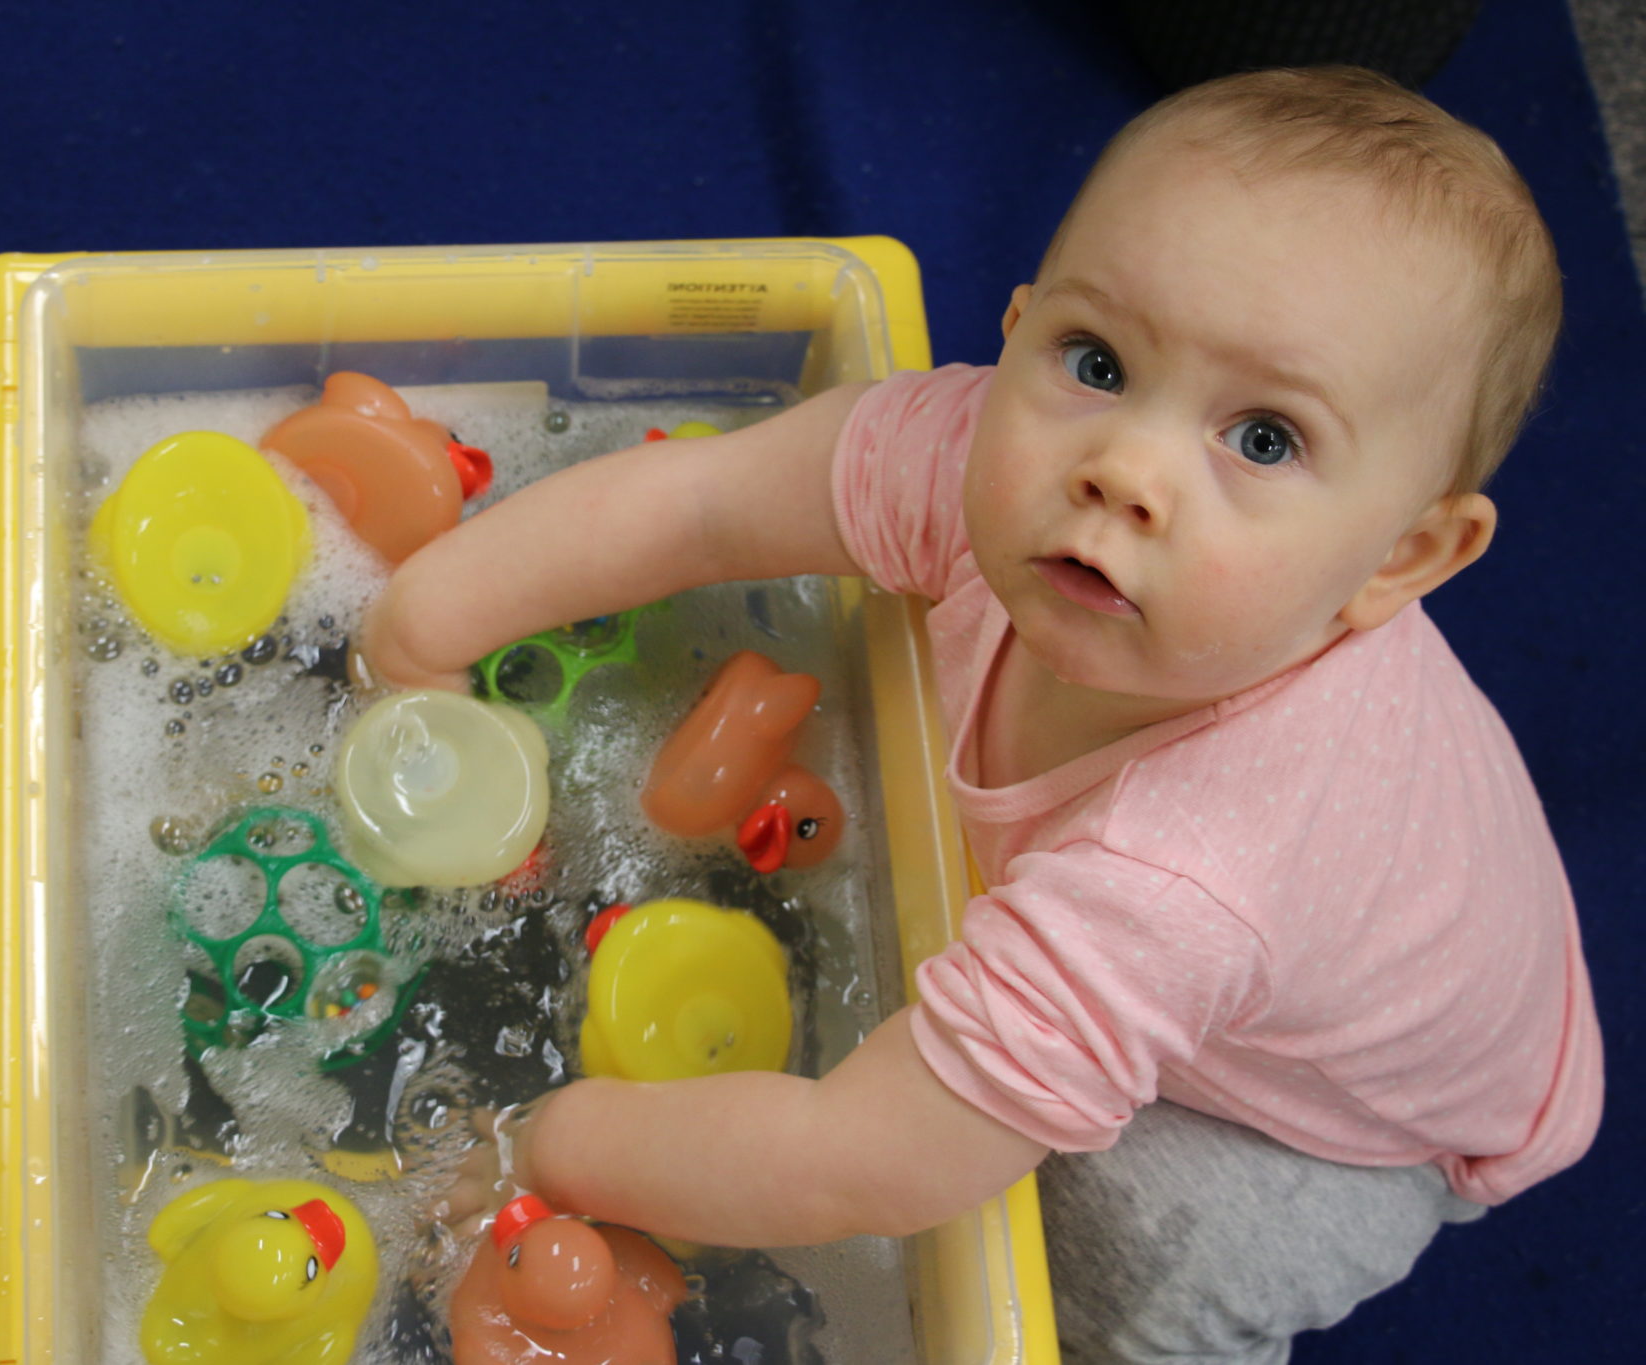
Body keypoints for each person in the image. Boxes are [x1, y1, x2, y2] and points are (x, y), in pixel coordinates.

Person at [360, 66, 1603, 1363]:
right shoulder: (970, 458)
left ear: (1402, 560)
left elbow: (860, 1164)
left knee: (1107, 1268)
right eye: (1100, 359)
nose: (1125, 468)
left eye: (1267, 440)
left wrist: (548, 1142)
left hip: (1334, 1128)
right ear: (1016, 327)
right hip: (1349, 919)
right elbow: (702, 504)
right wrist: (423, 620)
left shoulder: (1186, 871)